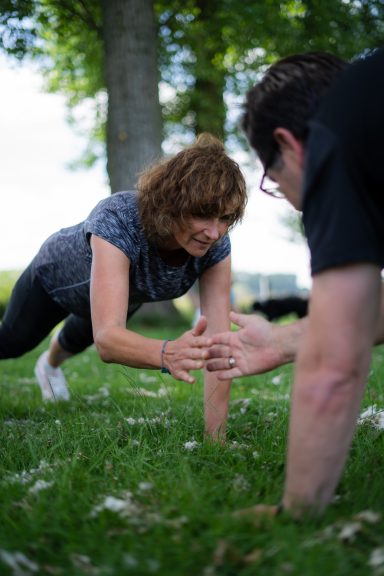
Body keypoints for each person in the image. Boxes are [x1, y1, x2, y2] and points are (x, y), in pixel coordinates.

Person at [206, 48, 384, 515]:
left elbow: (333, 368)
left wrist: (296, 511)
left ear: (289, 144)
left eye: (273, 178)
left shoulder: (334, 138)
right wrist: (286, 340)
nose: (285, 196)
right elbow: (353, 323)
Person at [0, 133, 247, 439]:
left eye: (224, 218)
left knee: (76, 341)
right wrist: (167, 353)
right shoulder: (120, 218)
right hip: (53, 280)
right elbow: (108, 340)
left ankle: (49, 367)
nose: (214, 232)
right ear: (172, 201)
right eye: (202, 214)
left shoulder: (215, 246)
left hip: (116, 296)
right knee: (11, 343)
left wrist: (216, 440)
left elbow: (219, 344)